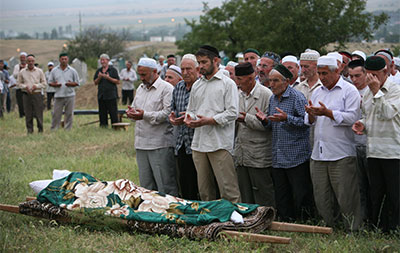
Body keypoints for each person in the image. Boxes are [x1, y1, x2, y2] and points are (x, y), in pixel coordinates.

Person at [305, 56, 361, 230]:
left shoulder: (349, 90)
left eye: (325, 73)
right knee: (322, 196)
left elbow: (353, 117)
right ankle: (328, 228)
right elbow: (309, 120)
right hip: (319, 152)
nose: (322, 77)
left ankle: (352, 229)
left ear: (336, 71)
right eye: (319, 73)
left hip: (341, 152)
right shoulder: (317, 91)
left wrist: (328, 112)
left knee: (346, 196)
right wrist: (312, 113)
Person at [255, 64, 314, 221]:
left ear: (286, 81)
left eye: (275, 81)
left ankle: (304, 222)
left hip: (296, 155)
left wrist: (287, 118)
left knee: (300, 193)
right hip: (278, 155)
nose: (271, 84)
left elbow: (306, 122)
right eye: (270, 81)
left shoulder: (297, 97)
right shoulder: (273, 98)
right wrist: (265, 120)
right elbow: (272, 124)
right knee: (282, 193)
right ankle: (285, 221)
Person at [184, 45, 240, 203]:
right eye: (199, 62)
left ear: (216, 61)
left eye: (204, 62)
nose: (200, 66)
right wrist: (189, 119)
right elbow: (192, 110)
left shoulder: (227, 84)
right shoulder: (197, 84)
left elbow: (232, 113)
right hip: (199, 143)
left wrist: (209, 120)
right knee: (204, 191)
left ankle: (234, 223)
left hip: (220, 143)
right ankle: (210, 224)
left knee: (228, 190)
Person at [352, 56, 400, 232]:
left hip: (392, 151)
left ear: (385, 72)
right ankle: (378, 228)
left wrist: (376, 91)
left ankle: (394, 229)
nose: (371, 78)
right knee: (376, 193)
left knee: (394, 194)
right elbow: (369, 116)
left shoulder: (395, 90)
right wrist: (362, 125)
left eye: (374, 74)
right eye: (368, 74)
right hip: (373, 150)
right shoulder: (367, 92)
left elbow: (387, 113)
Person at [127, 57, 178, 196]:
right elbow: (135, 107)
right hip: (141, 143)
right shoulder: (141, 88)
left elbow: (168, 113)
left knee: (165, 185)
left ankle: (170, 213)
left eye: (144, 74)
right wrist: (131, 113)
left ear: (155, 71)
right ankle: (151, 213)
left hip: (159, 144)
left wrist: (144, 115)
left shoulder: (167, 88)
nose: (141, 78)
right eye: (140, 74)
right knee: (146, 186)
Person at [234, 62, 275, 207]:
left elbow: (269, 125)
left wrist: (246, 118)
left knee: (263, 190)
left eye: (240, 79)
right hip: (241, 151)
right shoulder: (238, 95)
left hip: (259, 152)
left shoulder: (266, 94)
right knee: (245, 191)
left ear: (251, 78)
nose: (237, 83)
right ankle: (249, 220)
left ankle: (268, 218)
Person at [169, 54, 200, 200]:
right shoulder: (179, 88)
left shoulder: (202, 87)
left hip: (198, 142)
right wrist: (173, 118)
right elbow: (173, 109)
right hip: (182, 142)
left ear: (197, 69)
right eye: (183, 69)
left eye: (189, 68)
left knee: (200, 182)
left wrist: (191, 117)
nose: (186, 72)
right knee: (185, 181)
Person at [348, 59, 371, 223]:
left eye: (357, 75)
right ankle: (362, 219)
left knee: (372, 186)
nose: (354, 80)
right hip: (352, 144)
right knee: (358, 186)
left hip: (369, 145)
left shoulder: (371, 92)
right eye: (351, 76)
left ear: (366, 74)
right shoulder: (348, 91)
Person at [48, 53, 80, 131]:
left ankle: (68, 129)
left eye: (65, 59)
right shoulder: (54, 70)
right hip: (58, 95)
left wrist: (70, 84)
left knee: (69, 113)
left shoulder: (72, 71)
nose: (64, 61)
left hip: (70, 95)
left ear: (67, 60)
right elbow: (49, 82)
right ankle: (54, 128)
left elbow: (77, 83)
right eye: (62, 59)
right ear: (59, 60)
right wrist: (55, 84)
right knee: (56, 114)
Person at [17, 54, 47, 134]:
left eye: (32, 61)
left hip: (36, 94)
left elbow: (44, 83)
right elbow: (19, 84)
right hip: (26, 94)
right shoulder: (22, 72)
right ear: (26, 62)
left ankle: (40, 130)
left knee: (38, 113)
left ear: (34, 61)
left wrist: (36, 86)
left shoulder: (39, 71)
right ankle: (30, 131)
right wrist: (25, 87)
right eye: (29, 61)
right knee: (28, 113)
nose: (30, 62)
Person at [93, 53, 120, 127]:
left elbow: (117, 81)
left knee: (113, 112)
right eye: (101, 60)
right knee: (102, 112)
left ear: (108, 60)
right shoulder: (99, 71)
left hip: (111, 95)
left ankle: (115, 125)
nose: (102, 62)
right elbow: (95, 82)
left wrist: (108, 78)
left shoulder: (113, 70)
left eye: (104, 60)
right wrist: (99, 77)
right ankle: (103, 125)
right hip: (101, 95)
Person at [13, 52, 28, 117]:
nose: (22, 59)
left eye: (24, 57)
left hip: (27, 87)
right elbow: (15, 75)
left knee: (27, 101)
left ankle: (28, 114)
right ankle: (21, 115)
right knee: (20, 102)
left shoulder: (28, 65)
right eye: (21, 57)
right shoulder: (16, 66)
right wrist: (20, 70)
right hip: (19, 87)